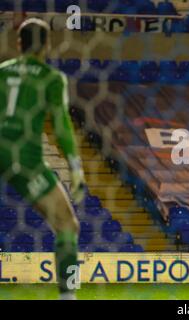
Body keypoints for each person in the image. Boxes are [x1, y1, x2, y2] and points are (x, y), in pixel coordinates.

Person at [0, 19, 86, 300]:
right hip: (24, 158)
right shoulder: (51, 78)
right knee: (67, 225)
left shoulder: (2, 72)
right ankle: (67, 297)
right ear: (47, 45)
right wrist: (75, 168)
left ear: (19, 44)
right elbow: (61, 126)